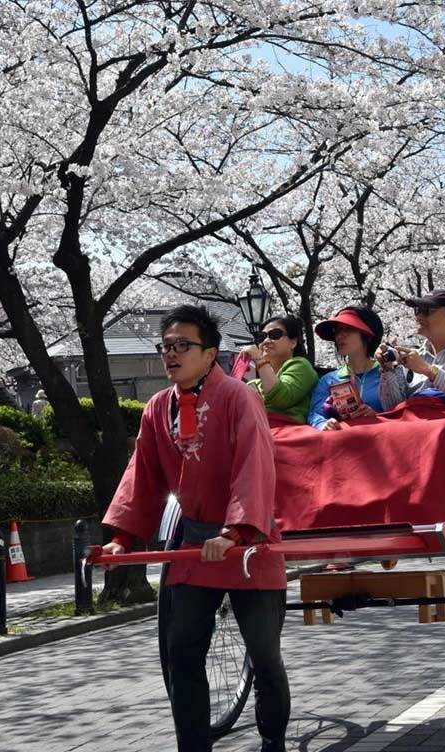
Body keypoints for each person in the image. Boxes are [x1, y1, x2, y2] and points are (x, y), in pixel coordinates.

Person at [101, 305, 289, 752]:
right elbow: (142, 477)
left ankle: (273, 742)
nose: (171, 354)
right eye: (166, 346)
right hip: (193, 544)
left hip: (248, 544)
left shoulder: (240, 397)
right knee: (181, 656)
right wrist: (122, 538)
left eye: (182, 345)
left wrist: (236, 531)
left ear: (211, 354)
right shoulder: (156, 408)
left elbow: (254, 467)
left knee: (264, 656)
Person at [307, 306, 397, 430]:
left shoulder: (387, 372)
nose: (340, 336)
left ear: (367, 335)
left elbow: (400, 413)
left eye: (348, 329)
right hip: (343, 443)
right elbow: (316, 414)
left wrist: (377, 416)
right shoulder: (328, 380)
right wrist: (323, 424)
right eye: (337, 331)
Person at [239, 315, 318, 424]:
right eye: (262, 337)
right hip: (258, 434)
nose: (266, 341)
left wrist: (259, 359)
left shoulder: (301, 365)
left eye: (275, 334)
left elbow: (280, 398)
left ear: (293, 342)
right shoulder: (253, 384)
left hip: (287, 433)